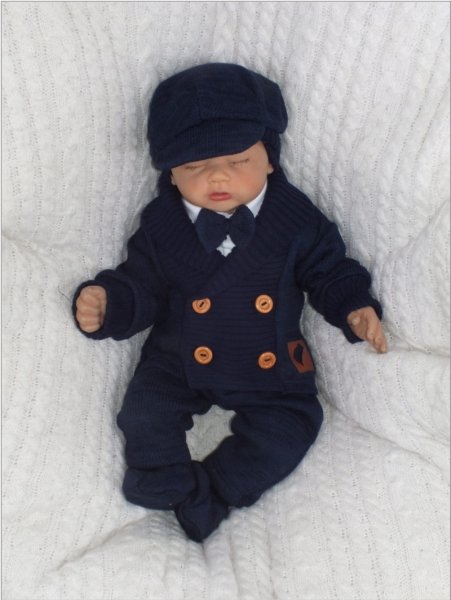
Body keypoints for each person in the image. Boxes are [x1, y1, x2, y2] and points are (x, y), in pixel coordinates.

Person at [73, 63, 387, 542]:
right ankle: (162, 479)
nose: (217, 175)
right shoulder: (161, 224)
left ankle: (215, 489)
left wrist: (353, 305)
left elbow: (328, 268)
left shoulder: (294, 218)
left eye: (238, 160)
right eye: (194, 166)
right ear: (170, 173)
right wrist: (110, 303)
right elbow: (142, 284)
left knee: (293, 426)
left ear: (270, 159)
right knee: (143, 411)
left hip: (268, 362)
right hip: (179, 356)